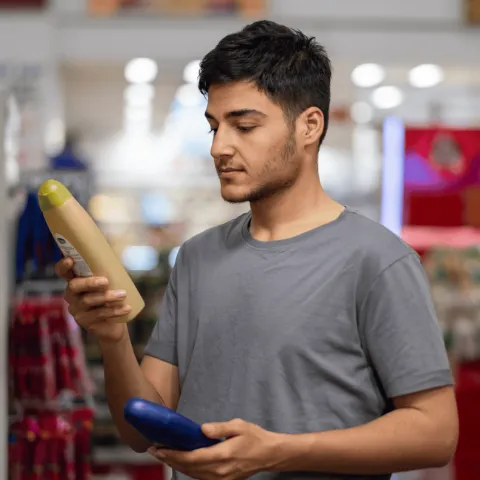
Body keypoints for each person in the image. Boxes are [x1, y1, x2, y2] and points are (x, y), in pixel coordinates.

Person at [56, 20, 458, 480]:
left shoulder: (378, 260)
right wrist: (111, 336)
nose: (219, 147)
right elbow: (142, 431)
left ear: (309, 126)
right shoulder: (196, 258)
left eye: (244, 125)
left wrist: (277, 451)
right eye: (214, 126)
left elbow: (435, 433)